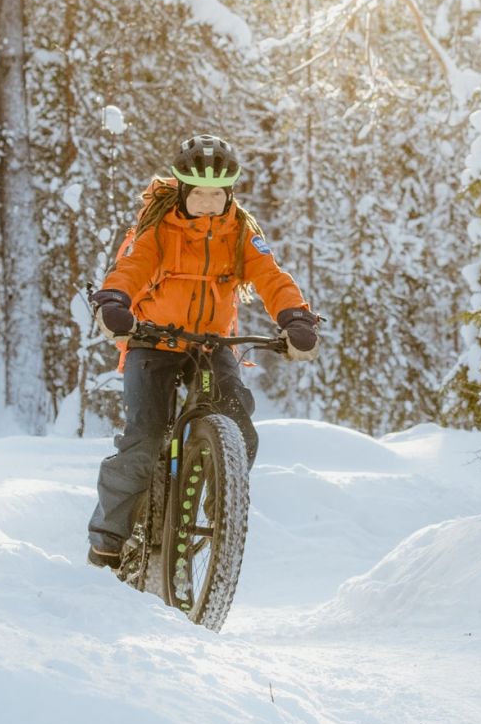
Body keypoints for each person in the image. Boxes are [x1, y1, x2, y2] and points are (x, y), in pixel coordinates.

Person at [84, 134, 319, 568]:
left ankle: (220, 512)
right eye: (200, 194)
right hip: (152, 342)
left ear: (228, 193)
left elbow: (271, 277)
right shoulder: (159, 228)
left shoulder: (240, 232)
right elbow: (130, 268)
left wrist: (295, 318)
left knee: (240, 426)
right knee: (145, 438)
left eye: (217, 194)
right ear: (183, 191)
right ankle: (107, 541)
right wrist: (113, 300)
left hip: (211, 345)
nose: (209, 203)